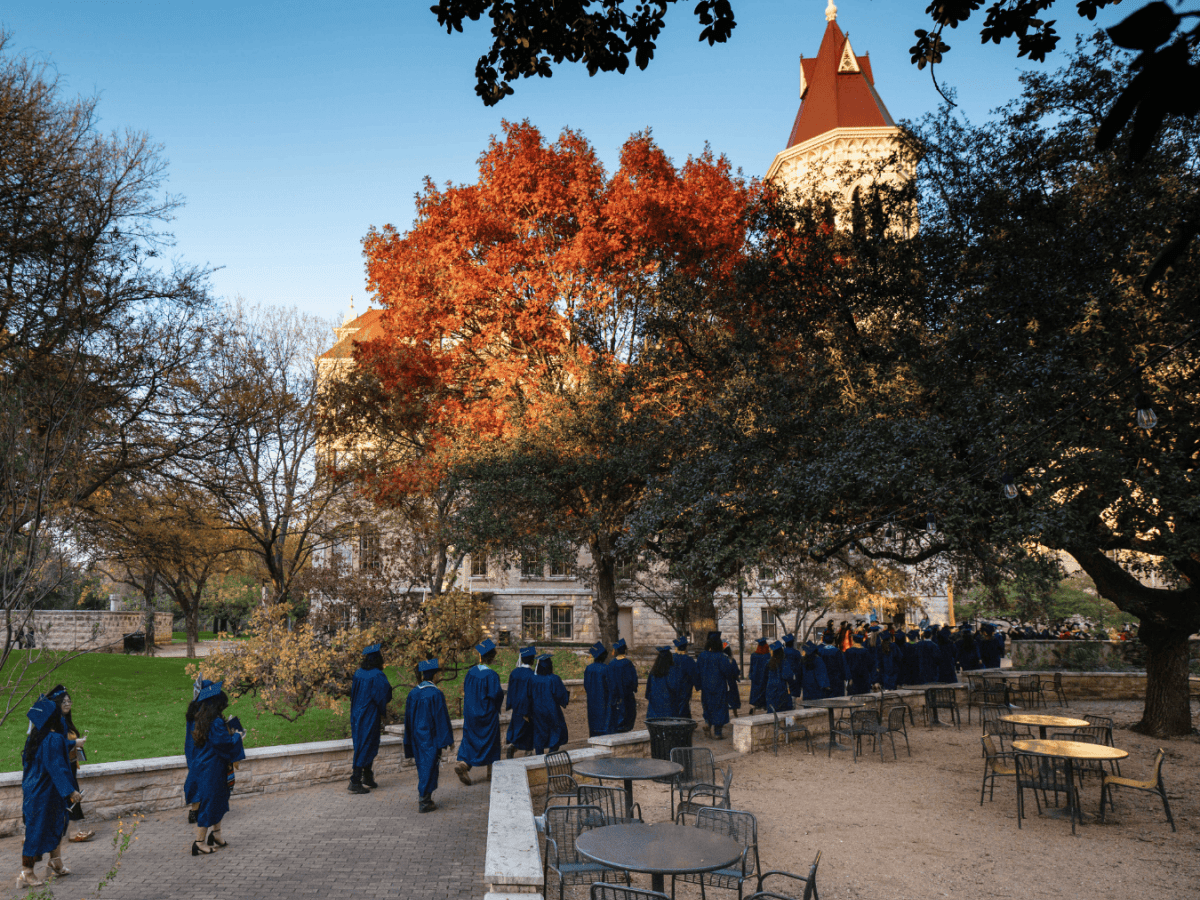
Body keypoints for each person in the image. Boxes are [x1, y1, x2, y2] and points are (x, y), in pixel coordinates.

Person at [19, 688, 80, 887]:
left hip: (37, 791)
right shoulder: (52, 739)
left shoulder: (35, 739)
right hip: (44, 793)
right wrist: (70, 791)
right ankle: (27, 872)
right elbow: (57, 768)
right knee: (37, 831)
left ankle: (56, 861)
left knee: (56, 824)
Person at [190, 681, 246, 854]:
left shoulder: (203, 717)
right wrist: (237, 736)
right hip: (212, 769)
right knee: (210, 803)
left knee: (219, 801)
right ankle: (199, 842)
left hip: (208, 766)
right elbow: (224, 743)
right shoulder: (215, 722)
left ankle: (216, 835)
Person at [404, 658, 455, 813]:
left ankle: (426, 797)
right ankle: (424, 800)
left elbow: (407, 718)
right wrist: (447, 739)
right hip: (430, 737)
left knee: (423, 766)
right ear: (434, 675)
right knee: (430, 766)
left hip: (416, 736)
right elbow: (441, 717)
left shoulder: (413, 693)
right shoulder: (435, 693)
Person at [456, 638, 505, 786]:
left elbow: (466, 691)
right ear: (492, 657)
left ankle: (464, 765)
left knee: (471, 740)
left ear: (480, 656)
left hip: (471, 714)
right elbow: (497, 695)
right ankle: (492, 773)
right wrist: (497, 707)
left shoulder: (471, 673)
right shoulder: (491, 675)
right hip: (487, 714)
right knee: (491, 741)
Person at [349, 642, 394, 794]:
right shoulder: (377, 675)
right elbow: (384, 694)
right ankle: (355, 781)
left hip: (356, 714)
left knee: (362, 744)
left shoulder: (358, 673)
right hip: (369, 715)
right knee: (367, 744)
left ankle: (367, 776)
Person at [59, 689, 93, 843]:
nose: (67, 704)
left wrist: (77, 745)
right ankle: (74, 833)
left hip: (71, 764)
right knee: (73, 797)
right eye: (63, 701)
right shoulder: (56, 723)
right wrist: (75, 742)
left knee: (70, 797)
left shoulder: (66, 721)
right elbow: (55, 744)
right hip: (62, 766)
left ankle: (69, 831)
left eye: (69, 701)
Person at [696, 632, 739, 739]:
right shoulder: (721, 657)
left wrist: (699, 685)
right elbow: (727, 671)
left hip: (706, 686)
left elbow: (697, 671)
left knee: (707, 705)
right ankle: (717, 732)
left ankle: (707, 723)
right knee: (719, 707)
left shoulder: (702, 656)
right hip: (719, 686)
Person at [184, 679, 213, 826]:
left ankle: (194, 811)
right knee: (203, 781)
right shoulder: (204, 713)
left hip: (192, 750)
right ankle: (198, 813)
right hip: (202, 751)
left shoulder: (194, 709)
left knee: (196, 780)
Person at [530, 654, 570, 754]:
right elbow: (561, 695)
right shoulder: (554, 679)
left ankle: (539, 756)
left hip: (537, 711)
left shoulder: (533, 679)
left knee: (539, 733)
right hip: (552, 710)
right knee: (556, 732)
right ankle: (551, 753)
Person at [505, 644, 538, 758]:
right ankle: (527, 752)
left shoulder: (514, 672)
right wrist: (529, 711)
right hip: (527, 708)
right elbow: (531, 694)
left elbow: (510, 690)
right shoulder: (533, 675)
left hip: (516, 707)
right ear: (532, 660)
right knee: (528, 732)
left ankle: (512, 746)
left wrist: (511, 704)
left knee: (517, 729)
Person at [583, 641, 617, 737]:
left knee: (594, 723)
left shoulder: (588, 669)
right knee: (605, 722)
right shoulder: (606, 669)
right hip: (604, 700)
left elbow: (586, 685)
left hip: (592, 700)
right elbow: (612, 686)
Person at [609, 639, 639, 733]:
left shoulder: (612, 664)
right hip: (627, 695)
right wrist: (633, 688)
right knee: (628, 715)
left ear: (616, 651)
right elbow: (634, 680)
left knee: (616, 715)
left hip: (615, 696)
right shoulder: (628, 663)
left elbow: (609, 680)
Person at [667, 636, 697, 718]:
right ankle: (683, 723)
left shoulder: (671, 659)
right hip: (685, 687)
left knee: (674, 705)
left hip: (671, 686)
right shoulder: (689, 660)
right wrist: (698, 685)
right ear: (686, 647)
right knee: (684, 705)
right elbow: (694, 673)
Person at [644, 646, 675, 719]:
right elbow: (674, 687)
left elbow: (648, 691)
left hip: (654, 706)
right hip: (668, 705)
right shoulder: (671, 672)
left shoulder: (653, 673)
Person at [764, 641, 794, 712]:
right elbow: (788, 676)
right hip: (781, 690)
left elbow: (764, 677)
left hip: (770, 691)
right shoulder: (784, 662)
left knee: (772, 712)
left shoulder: (768, 662)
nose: (770, 652)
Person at [748, 637, 770, 712]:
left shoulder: (754, 655)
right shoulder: (768, 656)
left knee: (755, 691)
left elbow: (751, 667)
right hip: (764, 676)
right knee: (764, 691)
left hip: (755, 676)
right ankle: (764, 705)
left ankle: (754, 705)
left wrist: (750, 675)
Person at [722, 641, 742, 719]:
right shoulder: (731, 660)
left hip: (723, 682)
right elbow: (735, 671)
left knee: (724, 700)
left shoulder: (720, 659)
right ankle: (735, 714)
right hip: (731, 682)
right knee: (733, 699)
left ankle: (724, 715)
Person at [781, 634, 804, 699]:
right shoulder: (796, 653)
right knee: (793, 692)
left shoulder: (783, 652)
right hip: (794, 674)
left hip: (783, 674)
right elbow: (799, 664)